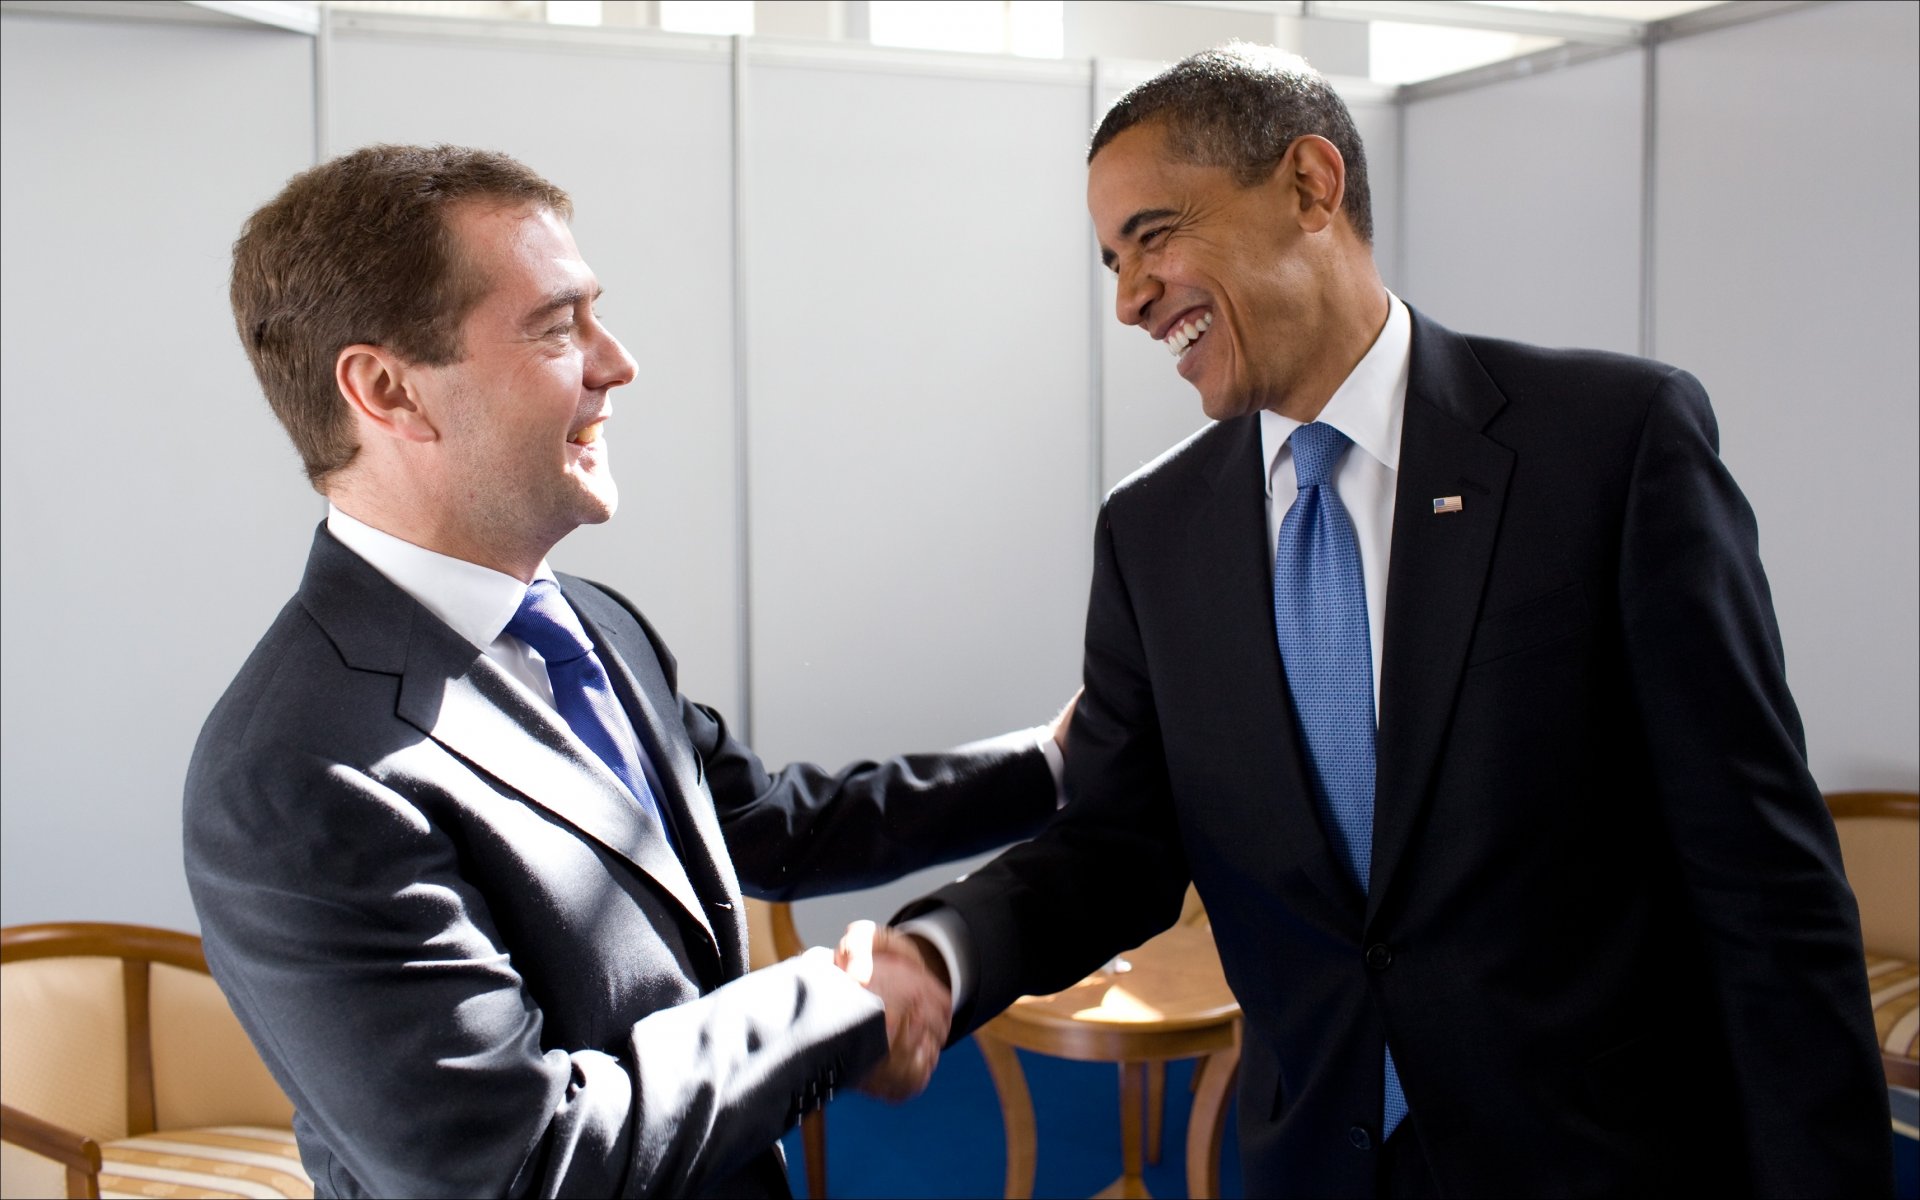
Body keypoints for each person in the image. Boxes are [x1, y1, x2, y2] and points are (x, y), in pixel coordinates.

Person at [883, 43, 1892, 1198]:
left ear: (1312, 186)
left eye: (1154, 235)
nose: (1127, 298)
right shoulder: (1151, 534)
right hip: (1319, 1162)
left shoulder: (1612, 448)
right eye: (1111, 261)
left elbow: (1764, 883)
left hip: (1606, 1162)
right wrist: (940, 952)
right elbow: (1115, 850)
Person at [184, 143, 1065, 1198]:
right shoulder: (292, 771)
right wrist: (836, 1003)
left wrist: (1055, 765)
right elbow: (516, 1165)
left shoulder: (592, 623)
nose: (617, 362)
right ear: (388, 390)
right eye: (558, 326)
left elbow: (763, 823)